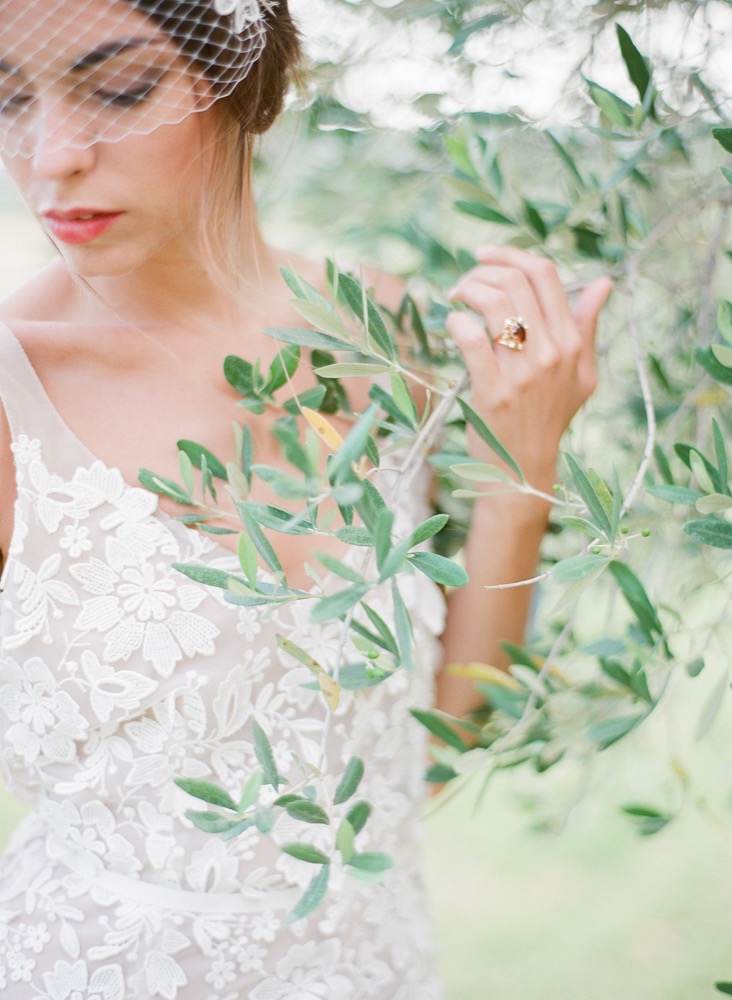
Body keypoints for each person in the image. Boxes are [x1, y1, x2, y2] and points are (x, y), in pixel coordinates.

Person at [0, 1, 612, 996]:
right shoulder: (11, 397)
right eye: (8, 99)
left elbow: (438, 741)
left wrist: (522, 455)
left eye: (118, 88)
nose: (50, 156)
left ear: (241, 76)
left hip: (377, 963)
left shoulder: (381, 328)